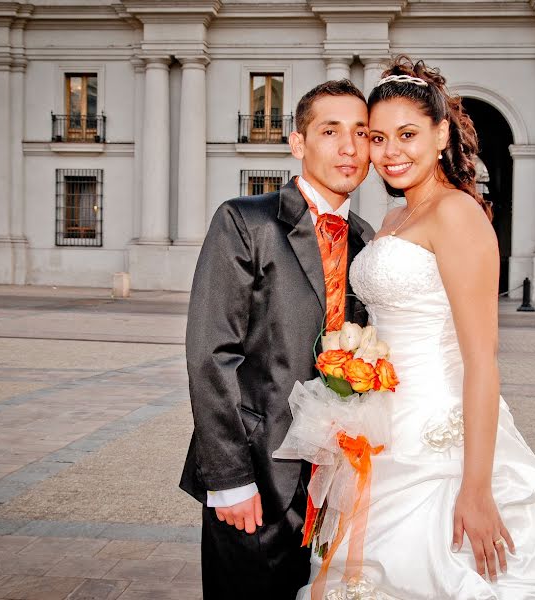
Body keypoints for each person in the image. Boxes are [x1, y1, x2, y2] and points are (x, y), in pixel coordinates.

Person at [296, 57, 535, 599]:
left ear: (440, 134)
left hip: (439, 435)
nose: (391, 152)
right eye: (378, 137)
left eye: (408, 134)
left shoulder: (458, 214)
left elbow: (482, 361)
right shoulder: (393, 220)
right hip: (380, 422)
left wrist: (477, 489)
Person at [179, 79, 375, 600]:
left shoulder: (365, 238)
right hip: (256, 473)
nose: (350, 148)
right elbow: (210, 354)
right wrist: (229, 479)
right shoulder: (246, 222)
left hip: (332, 478)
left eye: (361, 132)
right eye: (330, 131)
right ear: (298, 142)